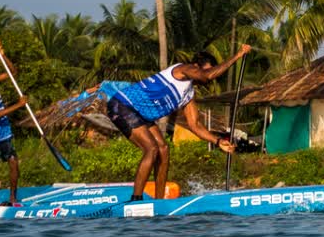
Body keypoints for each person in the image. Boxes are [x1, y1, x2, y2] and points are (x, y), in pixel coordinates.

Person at [107, 45, 252, 201]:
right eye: (207, 69)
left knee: (163, 148)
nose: (211, 76)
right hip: (122, 105)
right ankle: (136, 199)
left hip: (141, 115)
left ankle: (159, 200)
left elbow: (195, 125)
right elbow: (207, 76)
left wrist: (217, 141)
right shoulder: (183, 69)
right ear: (196, 66)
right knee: (152, 148)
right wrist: (238, 55)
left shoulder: (188, 94)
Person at [0, 55, 27, 206]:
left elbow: (12, 72)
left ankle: (13, 198)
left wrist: (2, 55)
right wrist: (19, 105)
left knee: (13, 162)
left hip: (3, 130)